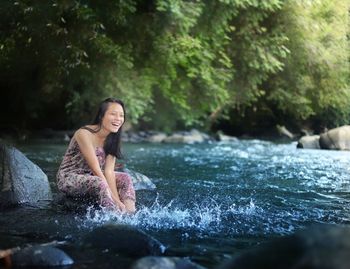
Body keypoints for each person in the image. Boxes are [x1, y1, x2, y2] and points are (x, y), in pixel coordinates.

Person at [56, 98, 136, 213]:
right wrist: (114, 200)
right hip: (70, 177)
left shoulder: (113, 138)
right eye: (113, 114)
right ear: (101, 116)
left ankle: (130, 213)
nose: (118, 119)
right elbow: (96, 170)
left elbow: (108, 171)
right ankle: (113, 219)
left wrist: (118, 200)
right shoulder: (83, 133)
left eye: (121, 115)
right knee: (100, 183)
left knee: (125, 178)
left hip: (92, 176)